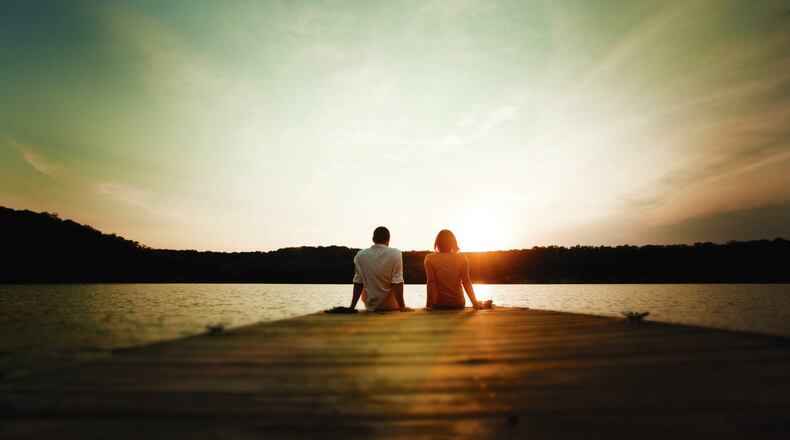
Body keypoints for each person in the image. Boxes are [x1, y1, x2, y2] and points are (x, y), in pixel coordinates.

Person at [348, 226, 413, 312]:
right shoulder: (396, 253)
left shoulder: (360, 255)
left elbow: (358, 283)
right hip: (392, 306)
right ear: (388, 239)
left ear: (373, 239)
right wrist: (402, 306)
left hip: (371, 307)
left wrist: (352, 307)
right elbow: (397, 282)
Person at [424, 229, 492, 311]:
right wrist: (474, 303)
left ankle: (481, 302)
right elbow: (466, 281)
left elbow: (431, 282)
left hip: (438, 304)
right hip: (458, 304)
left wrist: (429, 305)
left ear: (437, 243)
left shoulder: (429, 258)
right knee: (477, 302)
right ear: (453, 243)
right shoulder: (462, 258)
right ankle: (480, 303)